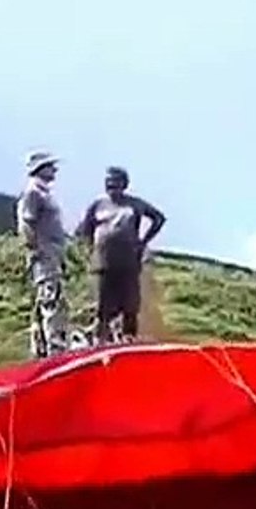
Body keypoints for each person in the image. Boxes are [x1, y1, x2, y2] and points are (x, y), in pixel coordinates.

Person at [75, 166, 166, 345]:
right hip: (103, 263)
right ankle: (100, 341)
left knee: (130, 306)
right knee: (102, 307)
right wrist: (90, 251)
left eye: (116, 183)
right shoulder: (97, 205)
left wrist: (143, 242)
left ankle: (128, 341)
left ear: (124, 184)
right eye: (109, 183)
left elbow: (158, 218)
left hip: (129, 262)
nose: (112, 187)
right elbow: (84, 230)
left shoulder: (135, 204)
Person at [15, 151, 71, 358]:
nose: (54, 170)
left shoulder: (43, 192)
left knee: (48, 300)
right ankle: (54, 350)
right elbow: (26, 223)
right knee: (50, 300)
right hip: (44, 257)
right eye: (50, 166)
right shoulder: (33, 192)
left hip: (52, 255)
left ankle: (42, 348)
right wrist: (35, 249)